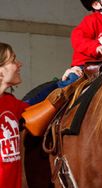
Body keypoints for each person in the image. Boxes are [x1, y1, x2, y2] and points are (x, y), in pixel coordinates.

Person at [0, 42, 57, 188]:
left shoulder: (10, 103)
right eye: (13, 60)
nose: (19, 64)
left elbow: (35, 105)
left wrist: (60, 84)